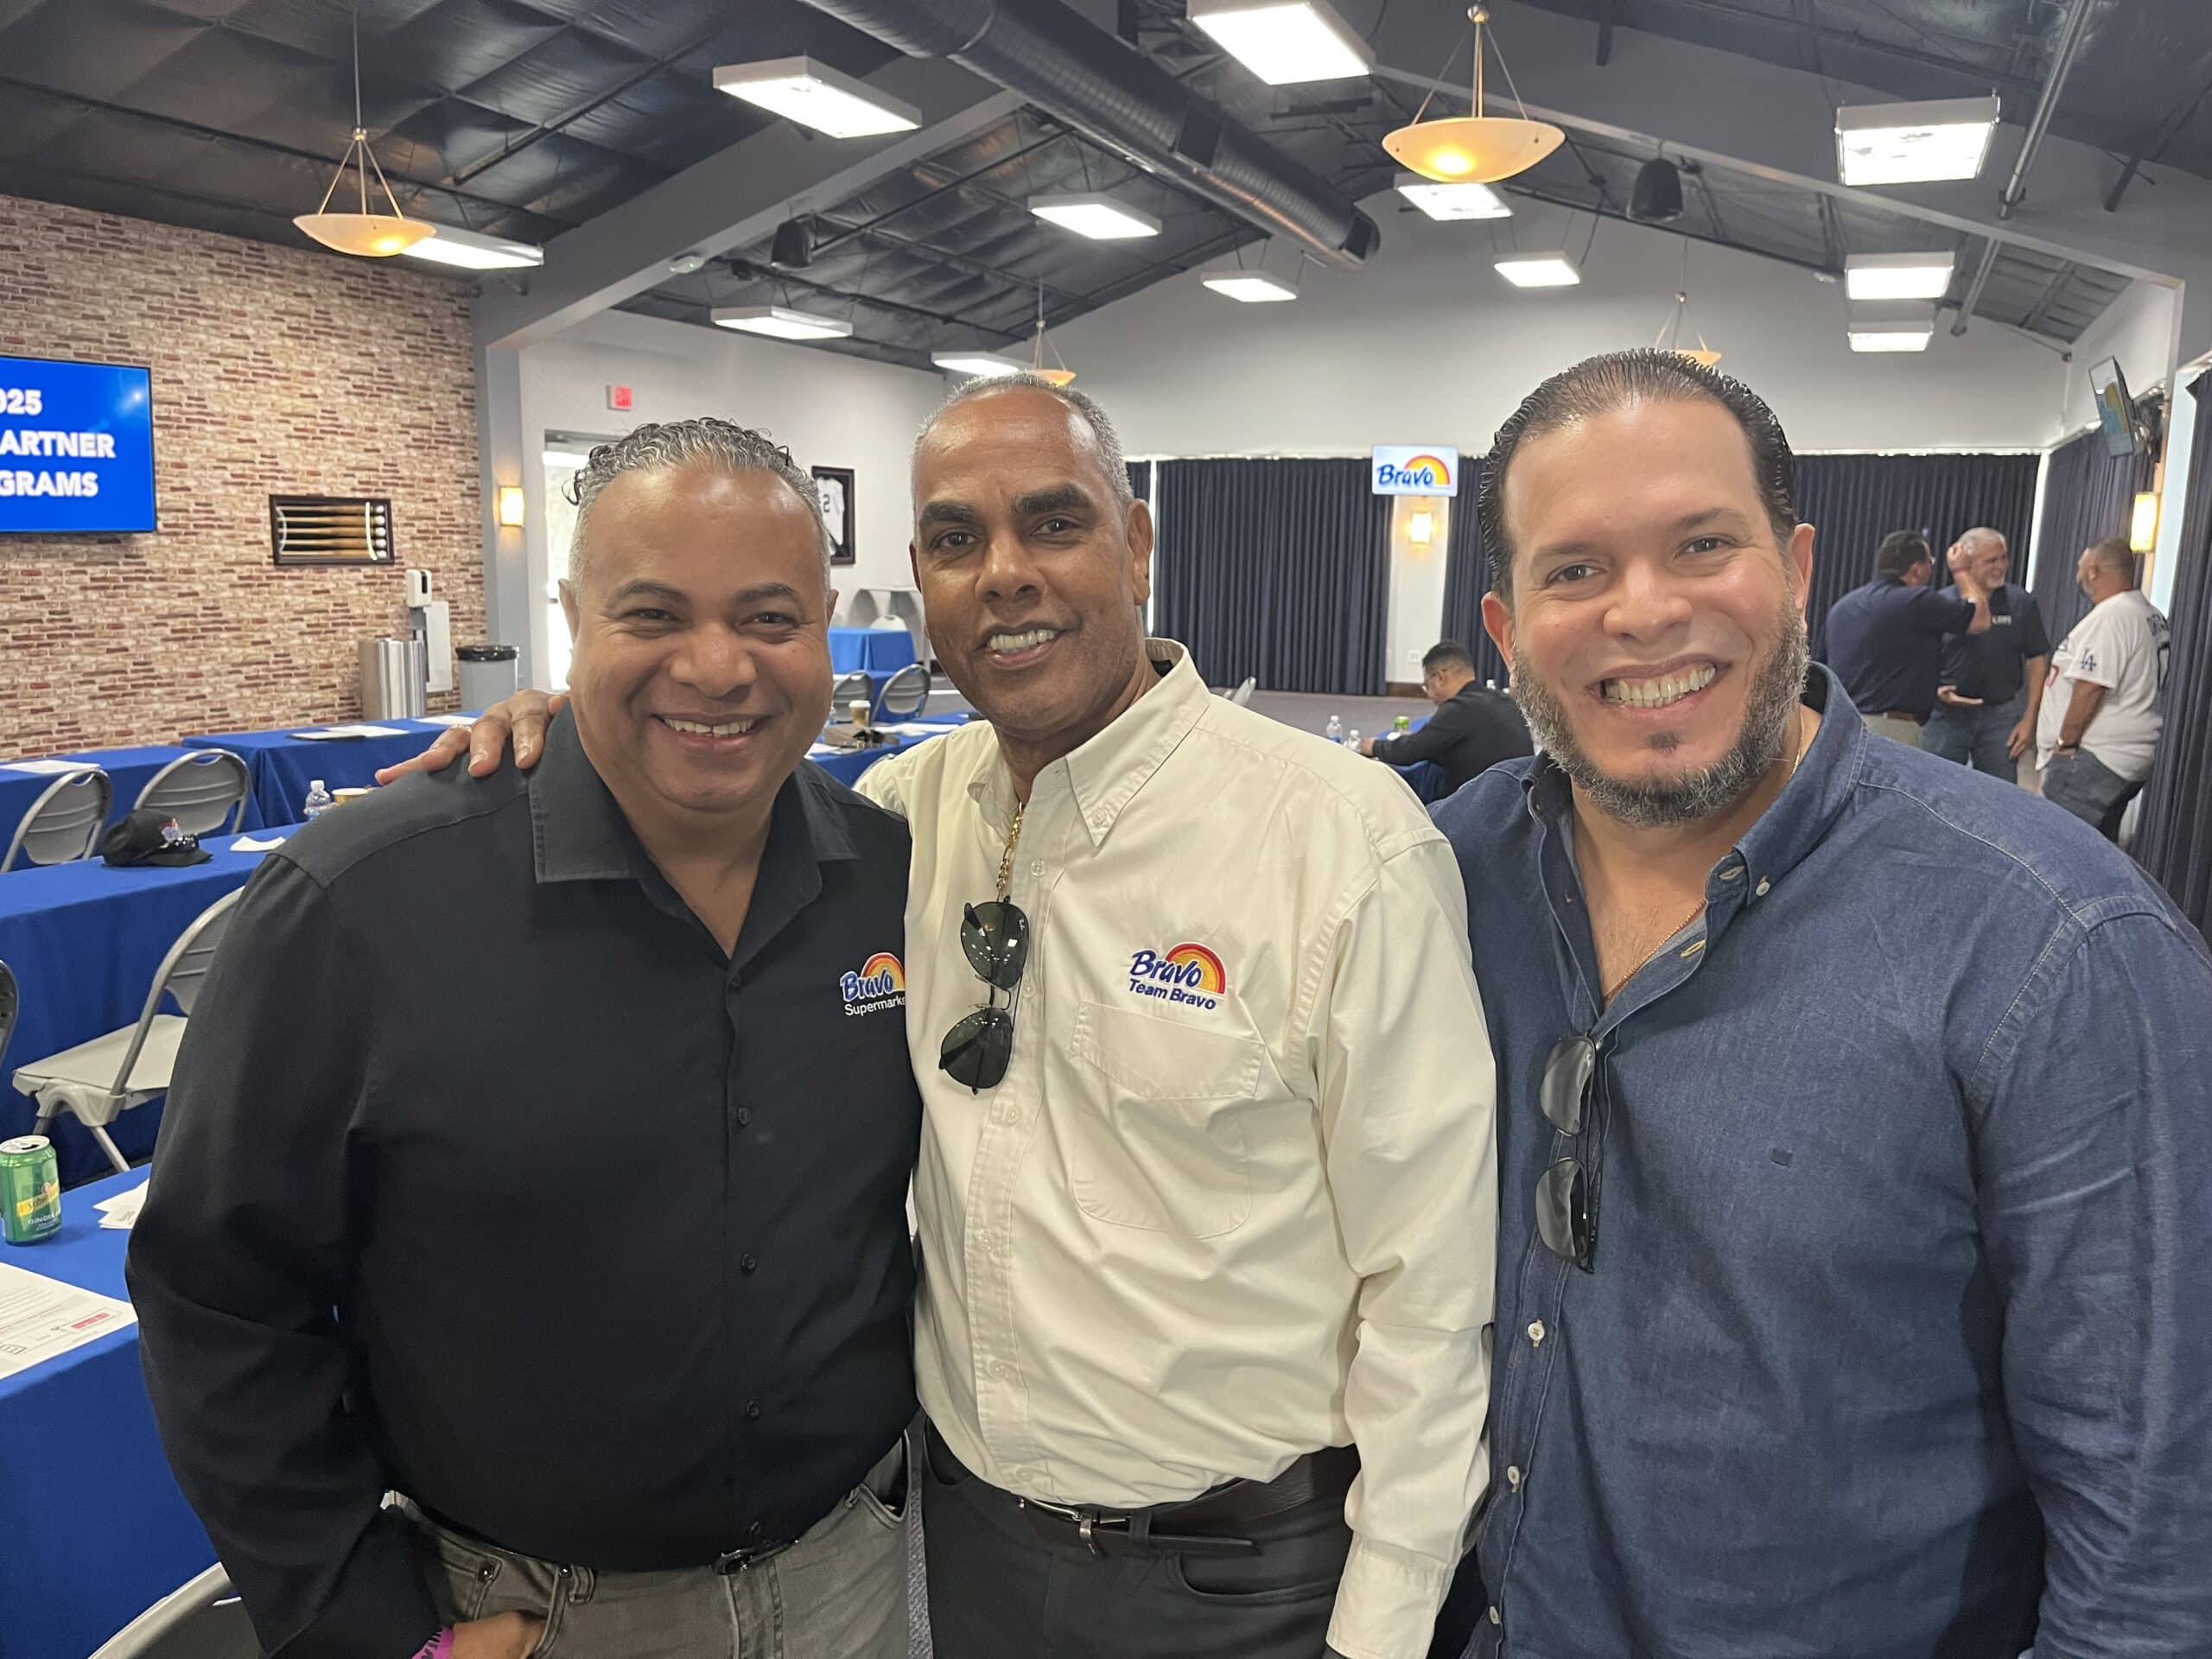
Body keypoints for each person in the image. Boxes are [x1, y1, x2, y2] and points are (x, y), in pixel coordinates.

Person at [397, 376, 1498, 1659]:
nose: (1006, 573)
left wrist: (1386, 1625)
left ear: (1137, 543)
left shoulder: (1341, 842)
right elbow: (689, 782)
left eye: (1054, 523)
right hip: (961, 1550)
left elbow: (1432, 1283)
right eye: (958, 540)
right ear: (922, 577)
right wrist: (571, 729)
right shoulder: (893, 817)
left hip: (1249, 1579)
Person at [1429, 347, 2212, 1657]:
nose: (1643, 611)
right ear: (1509, 633)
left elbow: (2153, 1546)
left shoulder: (2059, 945)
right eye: (1575, 569)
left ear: (1794, 573)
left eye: (1700, 545)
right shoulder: (1444, 876)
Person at [130, 421, 923, 1659]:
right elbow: (216, 1290)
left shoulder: (895, 874)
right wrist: (360, 1621)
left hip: (858, 1583)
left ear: (825, 623)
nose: (717, 667)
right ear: (569, 619)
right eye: (652, 614)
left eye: (769, 618)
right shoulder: (362, 901)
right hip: (528, 1618)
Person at [2037, 534, 2171, 838]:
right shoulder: (2150, 614)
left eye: (2080, 567)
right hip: (2125, 758)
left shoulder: (2113, 616)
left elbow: (2091, 688)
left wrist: (2065, 745)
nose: (2078, 575)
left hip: (2095, 758)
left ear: (2094, 571)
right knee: (2096, 847)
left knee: (2060, 846)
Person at [1821, 526, 1991, 745]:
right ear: (1917, 569)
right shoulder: (1917, 601)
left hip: (1840, 728)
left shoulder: (1842, 607)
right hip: (1891, 729)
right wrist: (1961, 570)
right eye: (1930, 563)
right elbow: (1980, 620)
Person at [1923, 525, 2050, 783]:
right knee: (1936, 787)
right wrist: (1934, 690)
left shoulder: (2021, 603)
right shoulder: (1942, 602)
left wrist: (2029, 720)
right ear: (1967, 563)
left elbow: (2036, 659)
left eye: (2004, 558)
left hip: (2000, 716)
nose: (2001, 566)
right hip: (1947, 717)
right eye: (1991, 561)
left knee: (1998, 794)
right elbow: (1922, 659)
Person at [1358, 640, 1533, 795]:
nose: (1429, 694)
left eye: (1426, 685)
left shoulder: (1459, 708)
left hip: (1478, 803)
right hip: (1517, 796)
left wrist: (1375, 746)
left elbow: (1410, 752)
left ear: (1440, 678)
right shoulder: (1503, 700)